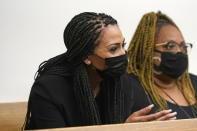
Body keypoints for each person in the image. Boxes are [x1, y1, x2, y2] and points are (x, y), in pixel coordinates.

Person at [23, 12, 175, 130]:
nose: (123, 53)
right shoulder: (49, 90)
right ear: (86, 57)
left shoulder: (124, 82)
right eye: (114, 49)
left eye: (123, 45)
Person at [127, 11, 197, 119]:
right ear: (148, 50)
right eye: (170, 46)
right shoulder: (129, 86)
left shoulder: (193, 83)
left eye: (183, 46)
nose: (179, 51)